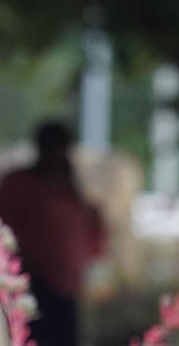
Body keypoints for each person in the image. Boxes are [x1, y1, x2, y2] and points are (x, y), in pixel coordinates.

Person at [0, 121, 105, 346]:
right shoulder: (19, 184)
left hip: (66, 285)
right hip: (30, 280)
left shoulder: (70, 189)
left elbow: (91, 229)